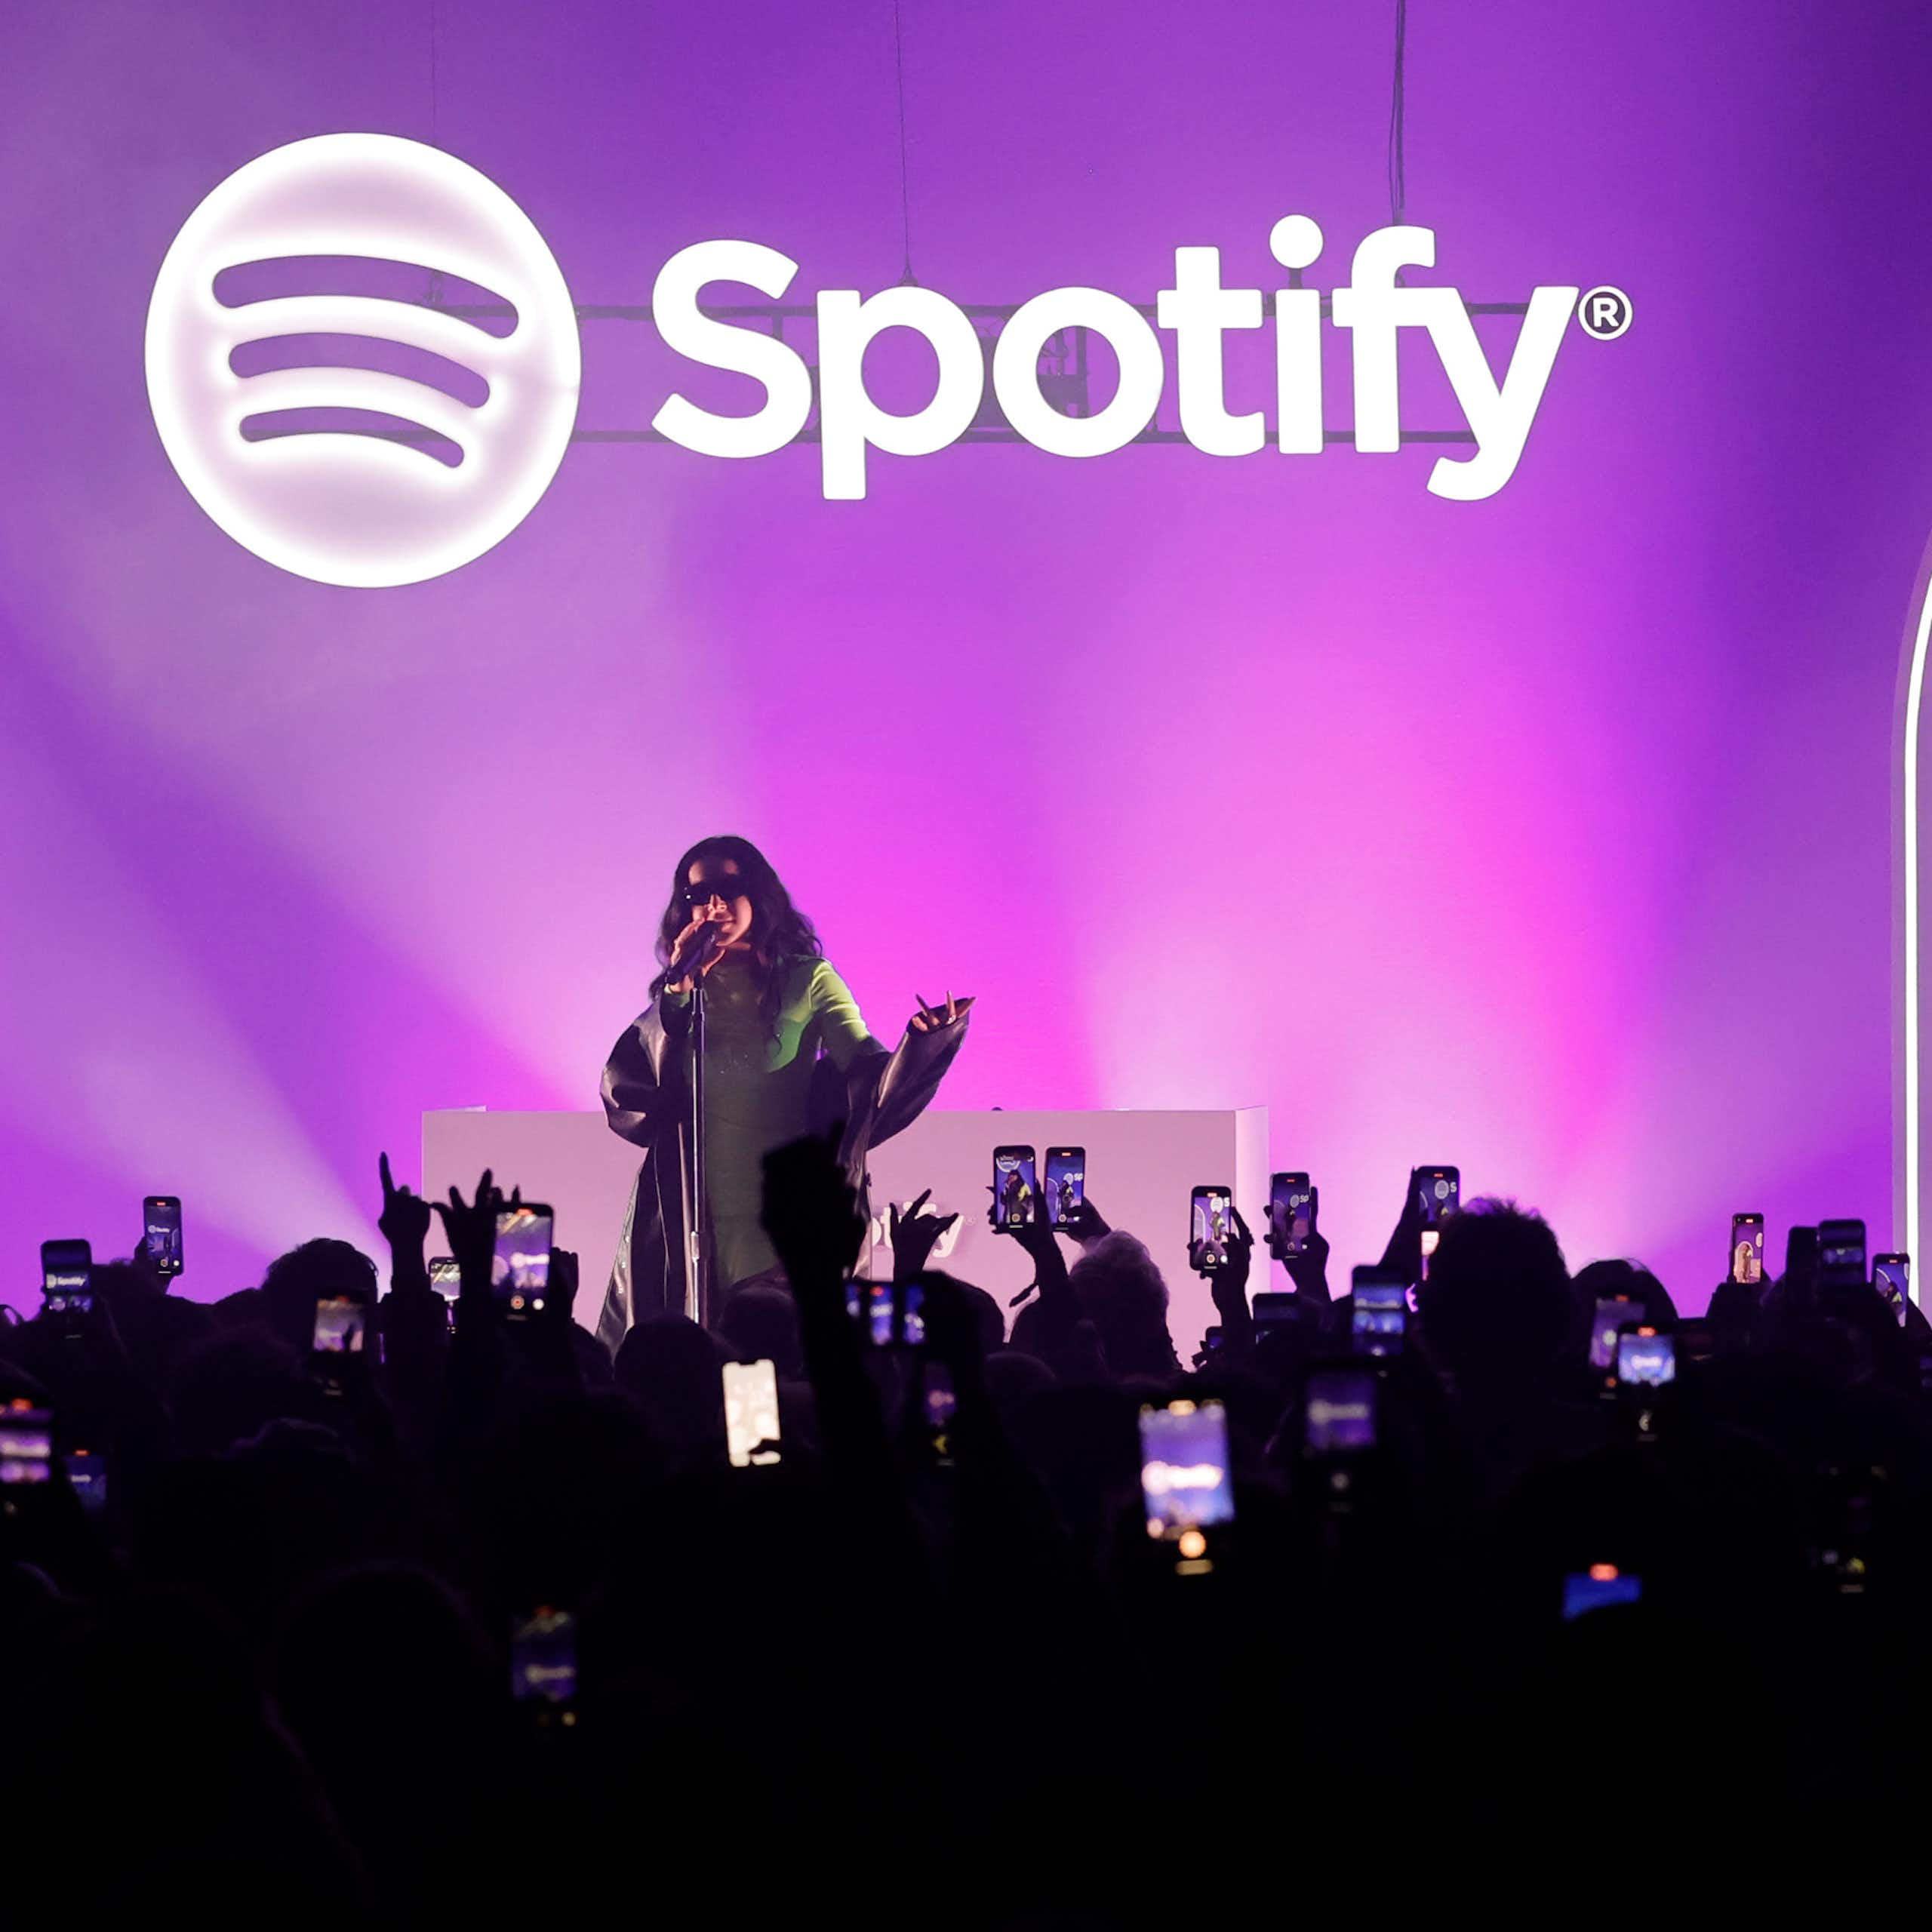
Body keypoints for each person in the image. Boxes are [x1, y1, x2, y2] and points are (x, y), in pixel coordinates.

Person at [595, 835, 971, 1349]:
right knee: (695, 1374)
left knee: (773, 1366)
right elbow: (638, 1084)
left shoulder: (808, 980)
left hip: (781, 1219)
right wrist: (679, 985)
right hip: (689, 1213)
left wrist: (923, 1044)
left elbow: (866, 1072)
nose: (714, 905)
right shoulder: (682, 991)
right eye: (697, 895)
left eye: (729, 888)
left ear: (760, 892)